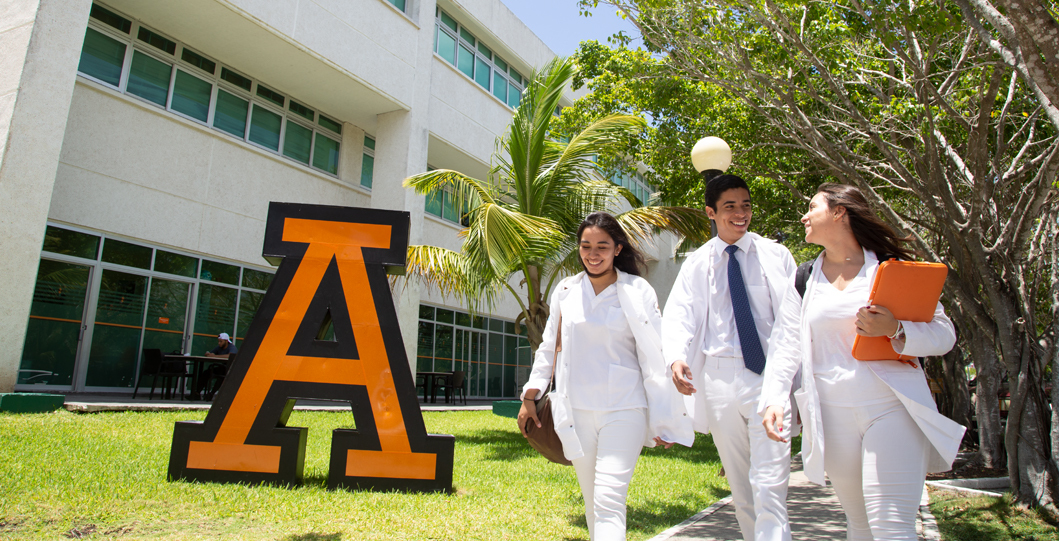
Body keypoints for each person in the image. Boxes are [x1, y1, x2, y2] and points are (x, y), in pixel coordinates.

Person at [761, 183, 964, 540]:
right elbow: (785, 343)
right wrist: (775, 398)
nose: (804, 216)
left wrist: (895, 328)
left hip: (890, 408)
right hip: (832, 415)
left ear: (839, 212)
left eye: (812, 207)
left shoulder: (890, 269)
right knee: (859, 524)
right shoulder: (804, 278)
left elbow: (944, 334)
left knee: (891, 527)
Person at [518, 212, 694, 541]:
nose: (593, 253)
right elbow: (548, 348)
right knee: (593, 502)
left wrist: (666, 413)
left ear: (617, 249)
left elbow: (656, 349)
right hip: (576, 412)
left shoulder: (637, 290)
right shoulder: (566, 290)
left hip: (625, 410)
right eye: (586, 246)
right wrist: (531, 395)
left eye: (602, 246)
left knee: (609, 499)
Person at [661, 174, 800, 541]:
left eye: (746, 205)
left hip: (767, 379)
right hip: (719, 380)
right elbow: (679, 313)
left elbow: (792, 321)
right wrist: (676, 357)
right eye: (730, 207)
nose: (741, 214)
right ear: (711, 212)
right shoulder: (697, 263)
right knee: (742, 490)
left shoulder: (776, 255)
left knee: (770, 485)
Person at [197, 332, 237, 399]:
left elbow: (231, 356)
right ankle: (197, 393)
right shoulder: (219, 347)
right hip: (220, 367)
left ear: (226, 341)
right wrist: (208, 354)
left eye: (221, 341)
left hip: (229, 369)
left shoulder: (232, 347)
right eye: (218, 341)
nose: (219, 343)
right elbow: (211, 353)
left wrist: (216, 356)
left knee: (221, 377)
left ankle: (211, 394)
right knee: (206, 373)